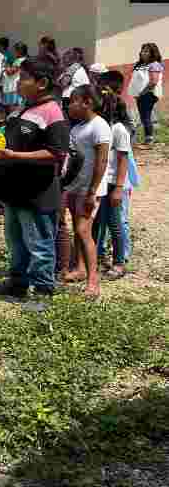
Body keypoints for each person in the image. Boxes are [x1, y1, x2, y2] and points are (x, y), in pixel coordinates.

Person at [0, 57, 71, 299]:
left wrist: (14, 155)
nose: (18, 83)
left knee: (39, 244)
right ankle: (17, 283)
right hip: (15, 191)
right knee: (16, 242)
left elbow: (56, 153)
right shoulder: (22, 108)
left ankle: (42, 291)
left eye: (24, 78)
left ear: (42, 83)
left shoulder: (52, 112)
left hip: (36, 193)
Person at [62, 85, 112, 298]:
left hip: (90, 189)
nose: (70, 105)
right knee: (77, 229)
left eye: (74, 100)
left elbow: (102, 161)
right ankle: (81, 269)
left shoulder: (99, 126)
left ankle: (93, 280)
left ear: (87, 102)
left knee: (83, 231)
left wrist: (92, 191)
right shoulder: (77, 128)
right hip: (75, 186)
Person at [93, 84, 136, 280]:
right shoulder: (101, 127)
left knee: (115, 223)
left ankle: (119, 263)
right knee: (97, 222)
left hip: (112, 184)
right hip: (100, 183)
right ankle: (97, 257)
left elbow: (123, 160)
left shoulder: (118, 129)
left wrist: (118, 188)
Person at [129, 43, 163, 145]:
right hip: (140, 94)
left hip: (148, 94)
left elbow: (153, 82)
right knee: (144, 116)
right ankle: (148, 138)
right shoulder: (139, 64)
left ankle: (149, 139)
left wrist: (142, 93)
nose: (143, 53)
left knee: (146, 116)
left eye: (146, 51)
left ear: (152, 53)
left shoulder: (155, 65)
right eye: (142, 50)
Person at [2, 42, 27, 112]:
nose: (13, 52)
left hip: (13, 87)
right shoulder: (24, 60)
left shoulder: (19, 61)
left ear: (19, 51)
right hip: (16, 86)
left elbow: (10, 72)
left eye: (14, 50)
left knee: (13, 108)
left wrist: (5, 65)